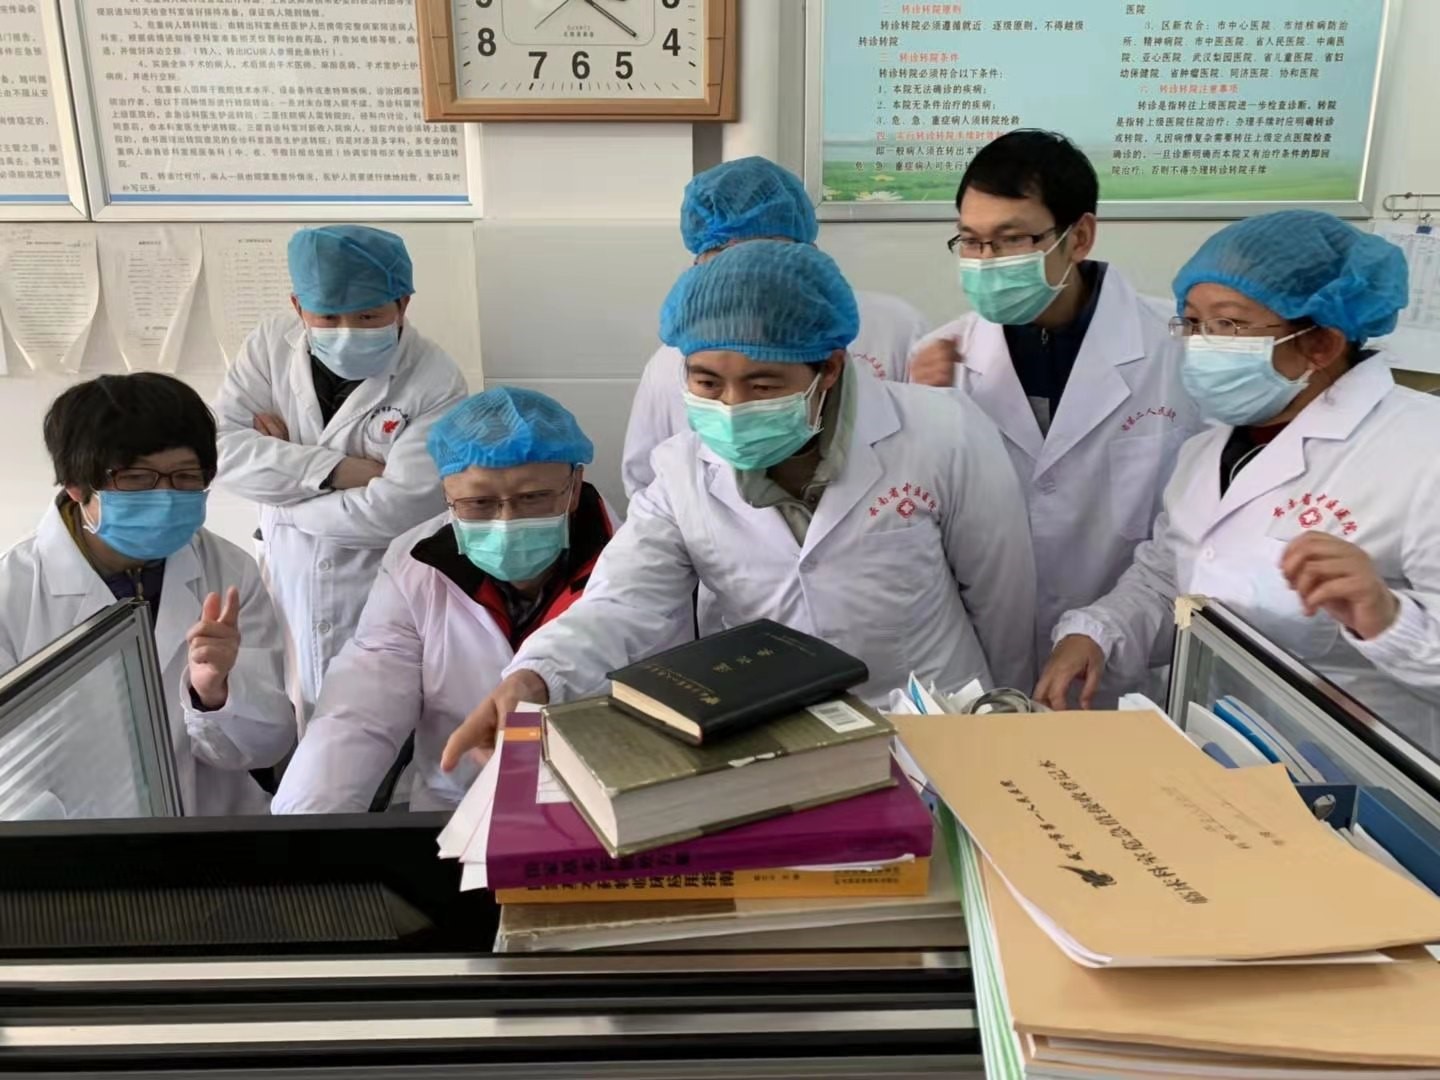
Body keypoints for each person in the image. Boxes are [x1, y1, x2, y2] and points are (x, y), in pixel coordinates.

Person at [441, 241, 1037, 769]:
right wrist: (536, 676)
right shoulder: (681, 472)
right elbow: (623, 601)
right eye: (706, 383)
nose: (731, 407)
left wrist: (1011, 721)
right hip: (774, 735)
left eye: (762, 385)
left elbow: (1002, 597)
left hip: (935, 727)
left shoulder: (942, 432)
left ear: (829, 367)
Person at [1035, 211, 1440, 752]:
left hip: (1365, 771)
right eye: (1193, 323)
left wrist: (1386, 619)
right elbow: (1170, 576)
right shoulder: (1210, 448)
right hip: (1217, 747)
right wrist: (1097, 631)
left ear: (1321, 343)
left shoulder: (1422, 449)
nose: (1203, 345)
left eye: (1228, 325)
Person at [909, 130, 1205, 704]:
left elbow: (1196, 525)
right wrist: (925, 417)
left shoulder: (1176, 350)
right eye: (970, 241)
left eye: (1011, 239)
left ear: (1079, 237)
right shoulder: (937, 360)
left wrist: (1106, 627)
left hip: (1125, 667)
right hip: (985, 663)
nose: (986, 261)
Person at [272, 389, 615, 814]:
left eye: (532, 498)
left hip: (599, 811)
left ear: (574, 486)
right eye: (479, 503)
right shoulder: (415, 564)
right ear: (446, 494)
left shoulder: (634, 563)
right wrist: (306, 827)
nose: (506, 521)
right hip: (455, 807)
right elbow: (361, 708)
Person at [0, 374, 294, 815]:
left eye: (185, 477)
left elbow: (265, 747)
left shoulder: (229, 570)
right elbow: (10, 772)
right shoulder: (13, 591)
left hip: (210, 837)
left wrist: (214, 694)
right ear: (76, 485)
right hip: (63, 840)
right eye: (136, 478)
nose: (166, 497)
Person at [213, 225, 468, 722]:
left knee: (382, 727)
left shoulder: (436, 379)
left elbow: (399, 509)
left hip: (379, 587)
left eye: (368, 316)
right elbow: (220, 454)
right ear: (297, 306)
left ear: (403, 304)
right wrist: (337, 470)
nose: (347, 331)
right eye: (327, 317)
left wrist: (284, 493)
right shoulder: (268, 348)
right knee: (291, 722)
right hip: (289, 585)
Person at [621, 156, 931, 500]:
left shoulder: (896, 326)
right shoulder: (670, 361)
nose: (749, 272)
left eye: (769, 254)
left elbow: (929, 441)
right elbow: (647, 484)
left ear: (810, 255)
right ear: (698, 267)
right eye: (725, 256)